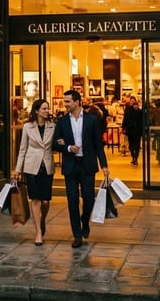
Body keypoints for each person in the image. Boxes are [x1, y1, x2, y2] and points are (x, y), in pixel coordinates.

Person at [53, 88, 110, 248]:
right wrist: (68, 148)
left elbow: (98, 144)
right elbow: (55, 143)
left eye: (68, 101)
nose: (65, 104)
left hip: (87, 165)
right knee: (72, 201)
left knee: (89, 199)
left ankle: (85, 220)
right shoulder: (62, 121)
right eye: (64, 101)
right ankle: (77, 235)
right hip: (71, 165)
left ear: (77, 102)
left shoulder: (92, 120)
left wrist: (104, 165)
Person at [12, 99, 56, 246]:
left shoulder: (52, 126)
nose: (47, 111)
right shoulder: (27, 127)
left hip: (47, 166)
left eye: (47, 108)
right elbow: (22, 149)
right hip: (31, 167)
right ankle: (38, 232)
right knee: (35, 199)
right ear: (36, 111)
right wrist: (17, 170)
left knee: (45, 201)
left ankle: (42, 219)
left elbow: (56, 144)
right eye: (44, 108)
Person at [122, 94, 143, 166]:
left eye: (136, 105)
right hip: (130, 131)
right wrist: (124, 128)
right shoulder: (128, 112)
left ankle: (135, 158)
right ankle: (133, 156)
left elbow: (142, 122)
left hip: (137, 131)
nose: (135, 106)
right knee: (131, 145)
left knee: (137, 145)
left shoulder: (140, 112)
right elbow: (125, 120)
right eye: (134, 105)